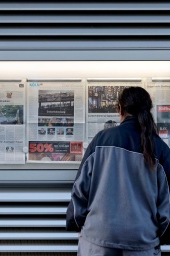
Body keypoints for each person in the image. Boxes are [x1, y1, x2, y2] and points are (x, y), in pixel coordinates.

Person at [66, 87, 170, 256]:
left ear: (120, 109)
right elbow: (167, 203)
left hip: (98, 240)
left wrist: (76, 222)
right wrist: (159, 237)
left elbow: (80, 190)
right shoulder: (160, 148)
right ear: (148, 110)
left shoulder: (101, 140)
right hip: (141, 243)